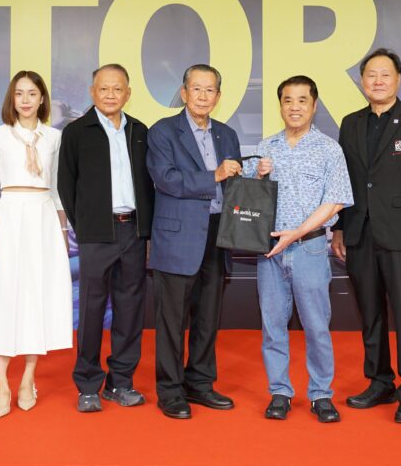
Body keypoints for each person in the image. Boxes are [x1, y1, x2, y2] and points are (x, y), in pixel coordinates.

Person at [332, 48, 401, 425]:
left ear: (398, 79)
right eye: (371, 75)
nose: (377, 81)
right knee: (371, 313)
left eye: (385, 75)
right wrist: (340, 227)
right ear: (362, 81)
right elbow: (344, 181)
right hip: (360, 233)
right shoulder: (350, 123)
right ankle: (379, 381)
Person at [244, 76, 353, 423]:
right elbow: (248, 200)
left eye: (302, 100)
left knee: (317, 326)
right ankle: (280, 392)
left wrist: (297, 233)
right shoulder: (266, 147)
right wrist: (258, 175)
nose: (294, 107)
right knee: (272, 325)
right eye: (288, 100)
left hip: (310, 248)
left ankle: (321, 394)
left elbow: (336, 201)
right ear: (280, 105)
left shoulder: (329, 149)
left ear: (314, 105)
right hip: (269, 251)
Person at [0, 71, 73, 417]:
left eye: (32, 93)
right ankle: (1, 381)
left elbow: (57, 188)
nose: (26, 100)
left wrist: (62, 231)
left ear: (42, 98)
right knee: (3, 296)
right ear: (11, 99)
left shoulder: (55, 137)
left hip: (43, 218)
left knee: (38, 297)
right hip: (9, 217)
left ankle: (28, 378)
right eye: (19, 94)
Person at [146, 64, 241, 419]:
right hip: (178, 236)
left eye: (210, 90)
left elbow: (234, 184)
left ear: (218, 95)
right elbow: (166, 179)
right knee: (172, 320)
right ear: (184, 93)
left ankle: (200, 383)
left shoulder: (227, 134)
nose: (203, 96)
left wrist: (255, 177)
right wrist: (214, 175)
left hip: (218, 234)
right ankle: (170, 390)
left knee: (207, 317)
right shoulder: (163, 131)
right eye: (196, 89)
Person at [58, 64, 154, 413]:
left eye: (117, 89)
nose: (110, 95)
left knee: (130, 309)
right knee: (92, 309)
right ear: (92, 92)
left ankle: (121, 382)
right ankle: (87, 385)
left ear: (128, 93)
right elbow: (66, 185)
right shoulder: (76, 132)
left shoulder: (140, 131)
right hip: (96, 233)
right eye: (103, 89)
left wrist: (146, 230)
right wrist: (85, 226)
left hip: (134, 231)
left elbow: (150, 183)